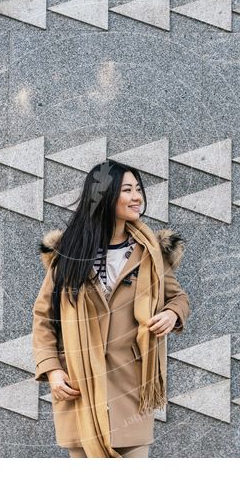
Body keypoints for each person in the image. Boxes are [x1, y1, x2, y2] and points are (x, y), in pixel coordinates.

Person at [31, 159, 191, 458]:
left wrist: (171, 314)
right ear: (105, 195)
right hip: (79, 386)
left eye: (138, 189)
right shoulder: (68, 254)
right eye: (127, 189)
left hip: (131, 385)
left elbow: (178, 298)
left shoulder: (150, 252)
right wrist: (52, 371)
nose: (137, 196)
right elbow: (44, 318)